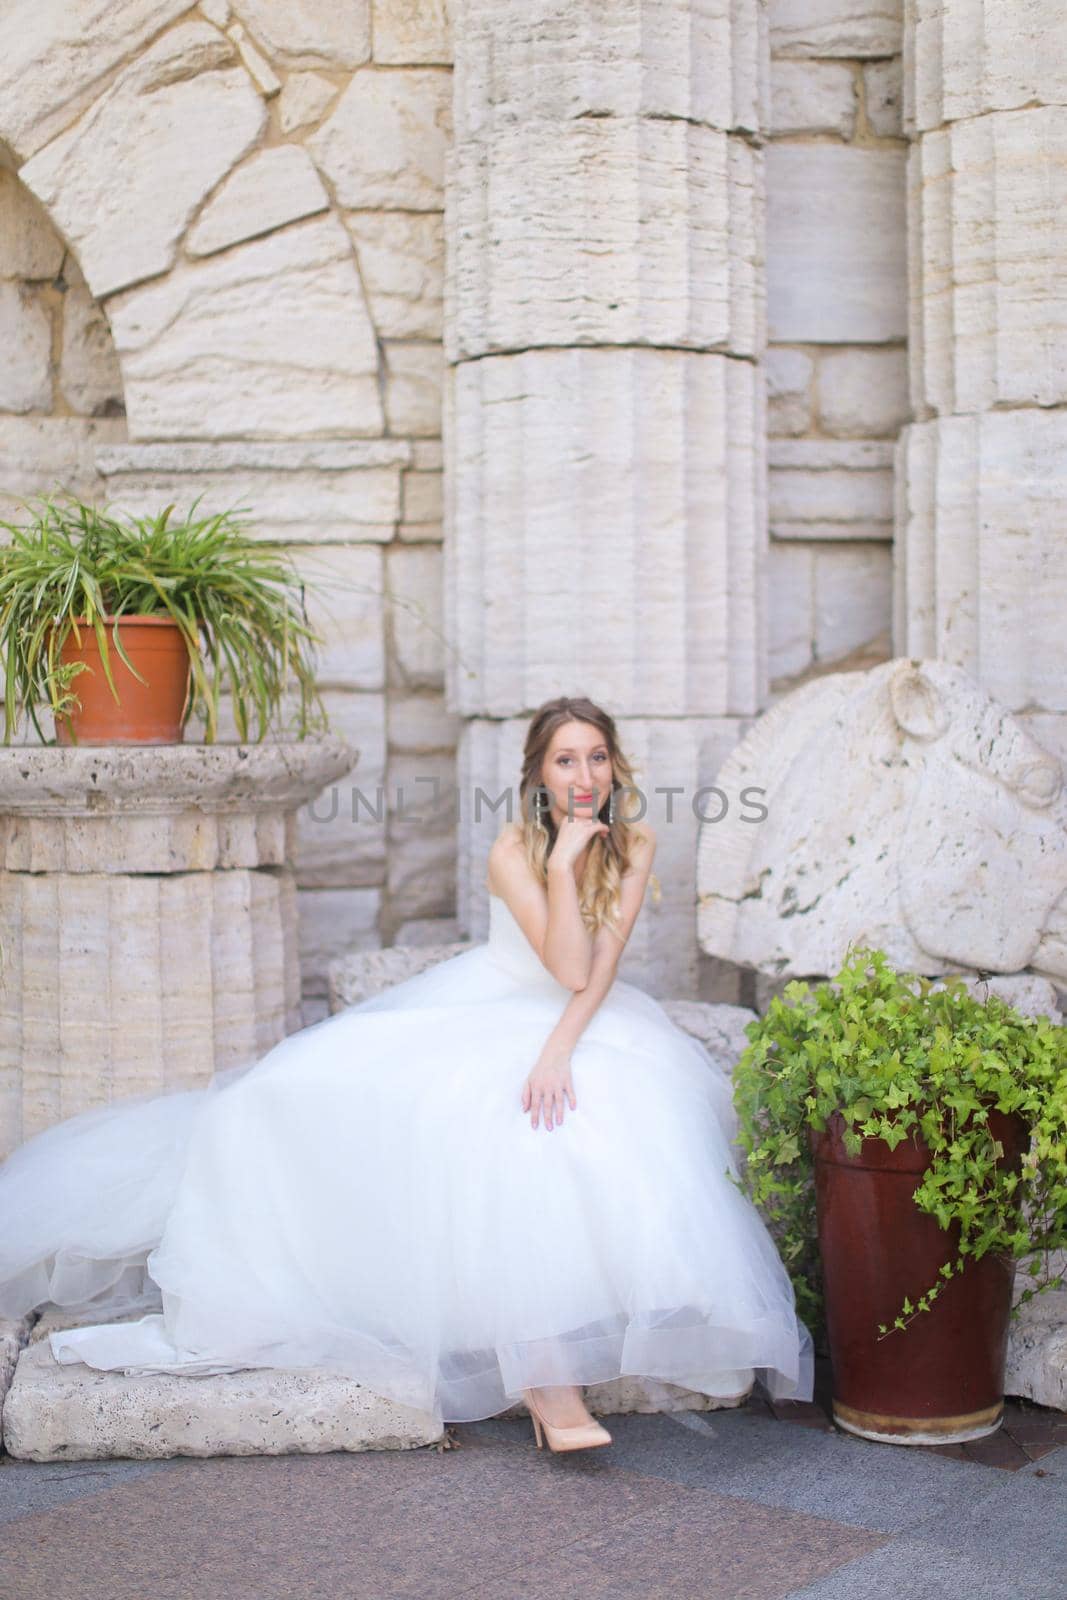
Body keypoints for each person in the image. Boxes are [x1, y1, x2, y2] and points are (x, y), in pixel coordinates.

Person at [0, 694, 814, 1454]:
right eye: (565, 761)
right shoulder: (512, 851)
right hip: (487, 1006)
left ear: (615, 767)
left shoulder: (634, 843)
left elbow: (592, 975)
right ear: (536, 774)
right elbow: (562, 959)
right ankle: (536, 1373)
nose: (583, 777)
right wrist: (561, 867)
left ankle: (549, 1375)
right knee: (269, 1103)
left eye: (596, 758)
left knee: (553, 1128)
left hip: (578, 1020)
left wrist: (560, 1048)